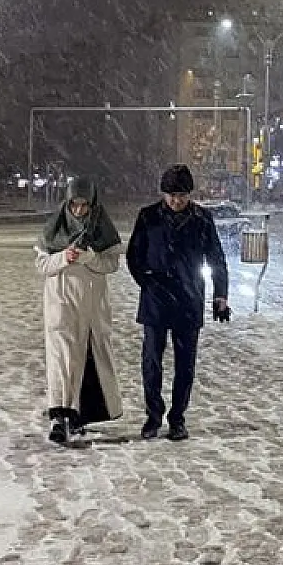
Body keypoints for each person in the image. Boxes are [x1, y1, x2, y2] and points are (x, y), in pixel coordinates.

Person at [125, 163, 229, 441]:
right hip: (156, 300)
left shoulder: (202, 219)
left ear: (189, 194)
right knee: (151, 363)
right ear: (163, 194)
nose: (175, 200)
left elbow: (217, 259)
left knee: (185, 365)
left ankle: (177, 418)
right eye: (170, 194)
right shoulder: (148, 217)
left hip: (189, 298)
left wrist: (221, 295)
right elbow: (134, 255)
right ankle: (153, 417)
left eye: (181, 195)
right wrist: (147, 283)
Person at [35, 175, 125, 445]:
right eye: (74, 205)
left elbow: (111, 264)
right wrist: (64, 257)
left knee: (86, 360)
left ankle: (78, 414)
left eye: (85, 205)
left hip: (91, 307)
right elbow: (42, 265)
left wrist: (90, 257)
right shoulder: (55, 230)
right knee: (61, 360)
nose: (79, 211)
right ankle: (59, 415)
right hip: (60, 306)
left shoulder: (102, 229)